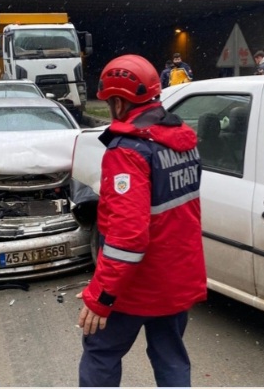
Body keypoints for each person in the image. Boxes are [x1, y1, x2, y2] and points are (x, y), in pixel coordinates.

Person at [78, 54, 206, 387]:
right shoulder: (183, 141)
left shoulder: (128, 151)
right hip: (177, 280)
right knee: (171, 358)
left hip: (138, 287)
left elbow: (127, 238)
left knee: (100, 353)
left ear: (119, 101)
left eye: (109, 101)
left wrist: (101, 296)